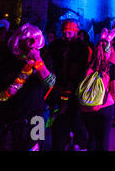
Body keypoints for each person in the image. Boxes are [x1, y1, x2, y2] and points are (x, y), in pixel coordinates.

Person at [0, 23, 56, 151]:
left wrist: (38, 61)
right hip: (7, 121)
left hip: (35, 120)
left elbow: (50, 83)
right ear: (19, 40)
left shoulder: (44, 59)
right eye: (29, 38)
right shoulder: (4, 62)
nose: (33, 42)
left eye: (36, 38)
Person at [48, 19, 89, 151]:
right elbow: (49, 64)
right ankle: (60, 145)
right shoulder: (56, 45)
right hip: (58, 89)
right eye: (64, 33)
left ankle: (80, 144)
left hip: (75, 89)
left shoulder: (82, 47)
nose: (66, 36)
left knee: (77, 118)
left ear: (76, 32)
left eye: (70, 33)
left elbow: (84, 68)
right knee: (59, 119)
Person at [79, 28, 115, 151]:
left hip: (87, 107)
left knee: (92, 137)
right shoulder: (111, 67)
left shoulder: (87, 66)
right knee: (104, 139)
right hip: (105, 106)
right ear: (109, 51)